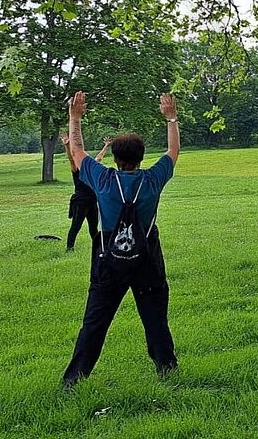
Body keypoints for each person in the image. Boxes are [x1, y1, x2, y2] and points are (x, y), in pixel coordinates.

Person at [62, 91, 181, 388]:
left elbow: (77, 151)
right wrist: (171, 118)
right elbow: (173, 151)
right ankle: (168, 372)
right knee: (155, 319)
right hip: (147, 259)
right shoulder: (152, 179)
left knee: (95, 322)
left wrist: (75, 118)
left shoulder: (103, 179)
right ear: (141, 157)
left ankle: (74, 380)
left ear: (115, 159)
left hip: (109, 260)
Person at [62, 135, 111, 252]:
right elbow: (71, 159)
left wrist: (106, 146)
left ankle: (98, 248)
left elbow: (99, 158)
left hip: (92, 201)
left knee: (93, 228)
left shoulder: (90, 171)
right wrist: (67, 145)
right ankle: (69, 248)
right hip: (80, 201)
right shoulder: (76, 170)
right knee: (76, 226)